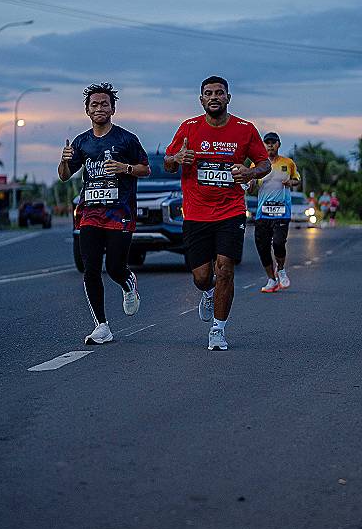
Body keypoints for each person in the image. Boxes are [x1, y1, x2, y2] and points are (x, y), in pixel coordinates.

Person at [164, 75, 270, 351]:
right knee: (201, 277)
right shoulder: (188, 128)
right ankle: (208, 292)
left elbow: (264, 163)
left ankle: (218, 329)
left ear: (228, 98)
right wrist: (177, 158)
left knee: (225, 269)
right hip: (196, 213)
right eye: (209, 93)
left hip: (230, 211)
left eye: (219, 93)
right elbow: (168, 163)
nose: (214, 97)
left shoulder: (245, 129)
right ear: (201, 100)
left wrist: (250, 172)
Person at [58, 82, 150, 345]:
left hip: (120, 212)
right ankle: (102, 326)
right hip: (90, 212)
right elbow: (64, 176)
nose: (99, 108)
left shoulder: (126, 139)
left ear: (113, 109)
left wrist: (125, 168)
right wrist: (64, 160)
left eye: (104, 104)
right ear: (87, 110)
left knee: (115, 268)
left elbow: (145, 169)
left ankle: (127, 281)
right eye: (94, 104)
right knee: (91, 269)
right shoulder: (81, 142)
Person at [253, 132, 300, 293]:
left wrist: (290, 182)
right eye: (267, 142)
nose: (270, 145)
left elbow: (297, 180)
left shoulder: (288, 163)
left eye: (273, 142)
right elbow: (251, 187)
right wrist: (250, 183)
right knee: (263, 247)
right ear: (263, 145)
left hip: (282, 211)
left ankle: (280, 269)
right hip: (262, 213)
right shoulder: (257, 164)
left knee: (279, 243)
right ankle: (271, 280)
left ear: (278, 144)